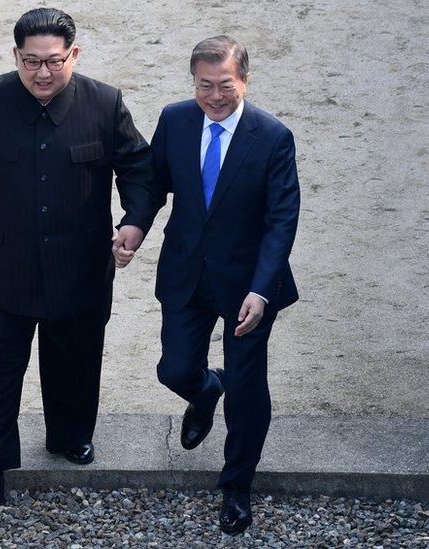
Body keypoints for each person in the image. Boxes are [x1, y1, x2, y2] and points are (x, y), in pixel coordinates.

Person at [0, 7, 152, 506]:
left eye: (54, 62)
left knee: (75, 360)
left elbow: (140, 170)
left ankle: (69, 436)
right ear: (16, 56)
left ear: (73, 56)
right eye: (32, 61)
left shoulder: (106, 104)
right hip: (4, 264)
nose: (43, 73)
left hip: (81, 264)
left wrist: (134, 222)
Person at [114, 35, 300, 535]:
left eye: (225, 86)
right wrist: (134, 223)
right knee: (174, 369)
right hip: (187, 272)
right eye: (204, 86)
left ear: (244, 80)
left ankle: (237, 484)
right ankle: (204, 389)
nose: (214, 97)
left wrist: (262, 290)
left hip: (248, 287)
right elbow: (154, 184)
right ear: (193, 81)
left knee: (246, 386)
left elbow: (282, 221)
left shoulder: (273, 137)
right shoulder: (175, 119)